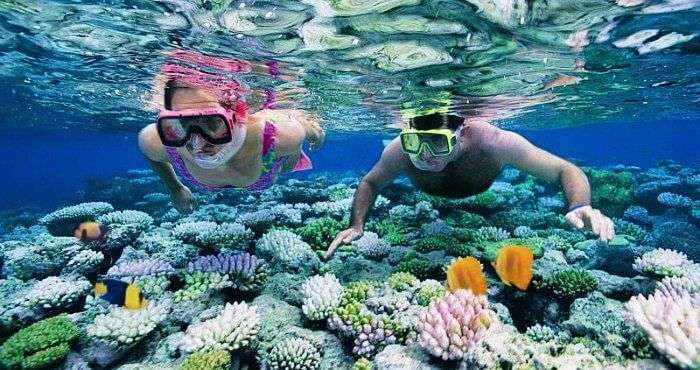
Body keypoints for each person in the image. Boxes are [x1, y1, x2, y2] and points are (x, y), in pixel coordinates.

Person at [325, 112, 615, 259]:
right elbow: (371, 182)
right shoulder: (399, 151)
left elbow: (566, 169)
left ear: (461, 135)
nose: (425, 154)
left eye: (438, 142)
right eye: (415, 142)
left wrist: (580, 205)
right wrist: (356, 225)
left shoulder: (494, 142)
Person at [138, 51, 324, 213]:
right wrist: (175, 187)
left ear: (236, 117)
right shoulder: (156, 140)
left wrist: (313, 131)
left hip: (270, 162)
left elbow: (307, 131)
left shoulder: (281, 137)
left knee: (290, 158)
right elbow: (152, 156)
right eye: (181, 123)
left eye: (210, 122)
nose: (198, 142)